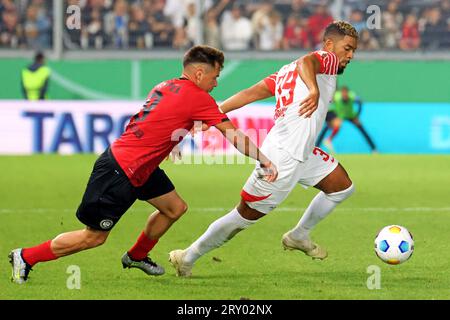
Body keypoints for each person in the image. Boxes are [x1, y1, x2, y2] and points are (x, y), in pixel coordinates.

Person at [9, 45, 278, 284]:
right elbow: (235, 136)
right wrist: (264, 160)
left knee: (174, 208)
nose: (216, 83)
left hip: (140, 167)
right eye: (215, 76)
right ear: (198, 74)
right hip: (120, 171)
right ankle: (26, 256)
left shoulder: (166, 85)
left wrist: (176, 141)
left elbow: (154, 119)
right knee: (93, 237)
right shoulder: (199, 98)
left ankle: (137, 255)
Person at [169, 21, 358, 277]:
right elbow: (308, 61)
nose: (350, 55)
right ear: (328, 44)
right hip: (282, 158)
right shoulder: (324, 60)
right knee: (243, 217)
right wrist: (313, 90)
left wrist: (212, 115)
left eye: (353, 50)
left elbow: (249, 93)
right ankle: (187, 257)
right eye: (347, 48)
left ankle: (299, 236)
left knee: (341, 187)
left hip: (302, 151)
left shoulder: (284, 72)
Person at [316, 86, 377, 153]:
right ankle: (317, 146)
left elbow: (360, 102)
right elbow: (328, 103)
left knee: (363, 130)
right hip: (339, 115)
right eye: (343, 93)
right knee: (327, 128)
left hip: (350, 115)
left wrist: (357, 115)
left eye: (346, 93)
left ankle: (374, 149)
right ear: (341, 93)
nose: (344, 95)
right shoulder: (336, 96)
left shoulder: (352, 96)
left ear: (348, 93)